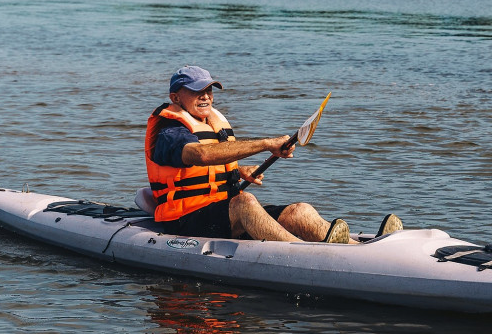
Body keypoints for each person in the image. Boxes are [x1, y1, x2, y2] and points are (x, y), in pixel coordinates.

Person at [145, 65, 402, 243]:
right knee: (246, 202)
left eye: (209, 90)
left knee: (299, 211)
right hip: (185, 220)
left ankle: (357, 251)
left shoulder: (212, 122)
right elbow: (200, 156)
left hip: (220, 211)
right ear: (176, 98)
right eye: (196, 91)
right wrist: (267, 143)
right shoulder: (170, 132)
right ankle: (306, 256)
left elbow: (212, 165)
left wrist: (236, 173)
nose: (206, 97)